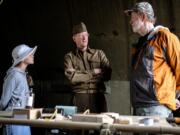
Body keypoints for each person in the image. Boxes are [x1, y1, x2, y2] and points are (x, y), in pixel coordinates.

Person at [125, 2, 180, 118]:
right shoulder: (140, 44)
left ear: (143, 16)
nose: (130, 22)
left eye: (133, 18)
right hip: (139, 107)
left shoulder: (166, 38)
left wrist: (174, 96)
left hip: (156, 108)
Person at [64, 22, 112, 113]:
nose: (84, 38)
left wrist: (81, 76)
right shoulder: (69, 57)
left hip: (98, 99)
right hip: (79, 99)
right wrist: (93, 72)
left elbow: (108, 74)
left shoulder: (99, 54)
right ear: (74, 38)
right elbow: (73, 78)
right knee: (79, 126)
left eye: (86, 35)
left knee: (101, 126)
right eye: (81, 35)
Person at [0, 44, 37, 135]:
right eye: (29, 54)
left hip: (23, 118)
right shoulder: (13, 75)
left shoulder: (23, 75)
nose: (32, 55)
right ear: (22, 58)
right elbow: (4, 101)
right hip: (13, 120)